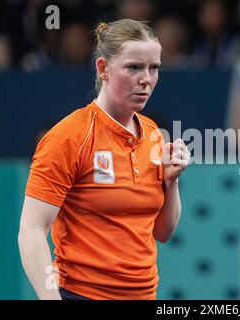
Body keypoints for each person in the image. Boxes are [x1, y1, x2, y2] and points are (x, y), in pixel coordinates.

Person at [18, 18, 191, 300]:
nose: (146, 79)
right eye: (134, 67)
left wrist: (171, 183)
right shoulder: (69, 137)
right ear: (103, 69)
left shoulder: (155, 135)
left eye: (154, 68)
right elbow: (31, 231)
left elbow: (163, 232)